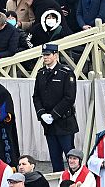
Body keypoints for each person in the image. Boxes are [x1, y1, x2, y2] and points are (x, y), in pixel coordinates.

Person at [32, 43, 78, 171]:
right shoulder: (41, 73)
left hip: (64, 122)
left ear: (55, 55)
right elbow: (36, 96)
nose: (45, 57)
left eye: (47, 55)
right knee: (55, 158)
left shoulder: (66, 73)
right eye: (44, 55)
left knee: (71, 158)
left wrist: (54, 114)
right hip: (49, 124)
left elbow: (69, 98)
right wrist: (41, 114)